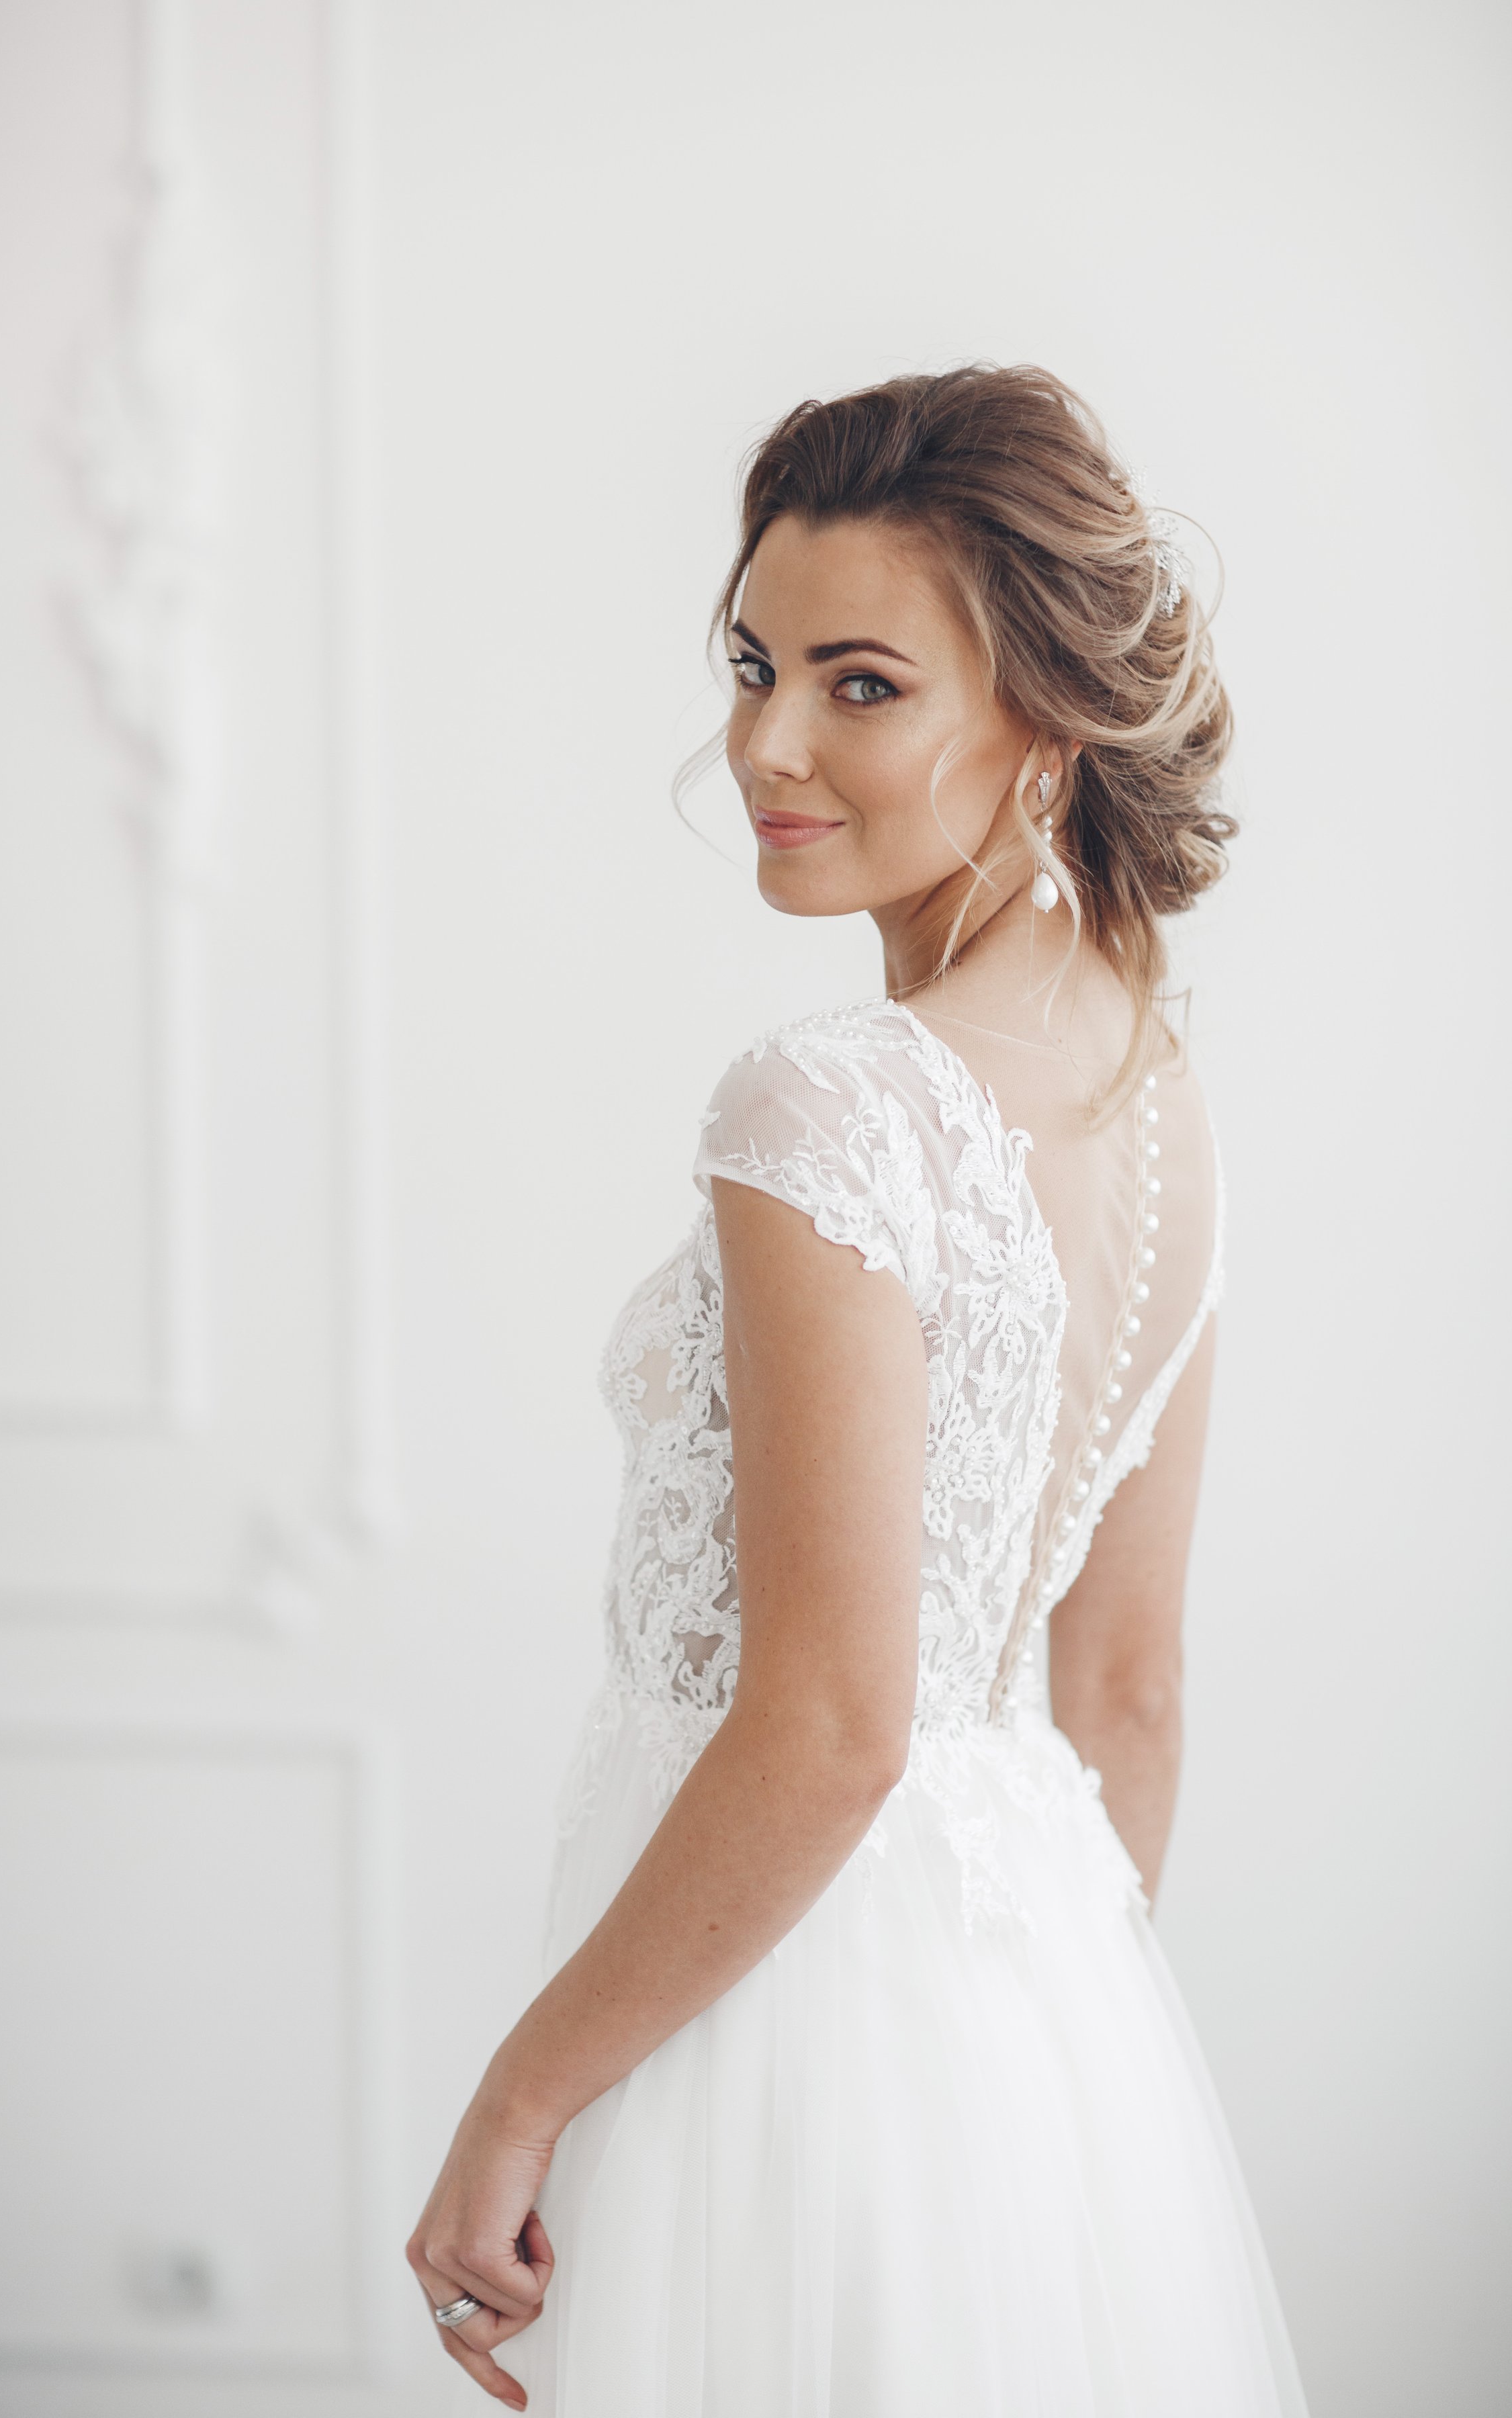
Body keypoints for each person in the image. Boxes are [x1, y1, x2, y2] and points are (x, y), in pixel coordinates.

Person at [408, 364, 1308, 2416]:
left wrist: (523, 2095)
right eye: (752, 664)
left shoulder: (829, 1099)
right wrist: (1026, 2064)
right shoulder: (1155, 1104)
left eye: (862, 684)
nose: (765, 745)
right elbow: (1129, 1692)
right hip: (1035, 2019)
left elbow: (826, 1723)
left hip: (778, 2017)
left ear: (1048, 725)